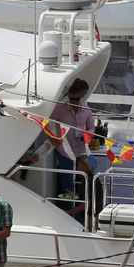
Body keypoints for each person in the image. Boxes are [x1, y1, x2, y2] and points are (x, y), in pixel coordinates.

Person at [50, 78, 97, 218]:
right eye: (72, 99)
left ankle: (85, 208)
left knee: (90, 174)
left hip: (82, 150)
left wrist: (88, 135)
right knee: (67, 181)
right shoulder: (59, 109)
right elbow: (46, 122)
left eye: (77, 99)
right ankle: (68, 212)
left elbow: (92, 127)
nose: (74, 102)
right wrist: (51, 137)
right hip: (64, 150)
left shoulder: (87, 110)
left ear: (81, 97)